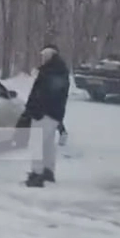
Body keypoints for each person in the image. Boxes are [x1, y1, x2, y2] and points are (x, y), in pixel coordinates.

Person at [23, 44, 70, 187]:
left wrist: (35, 110)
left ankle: (37, 174)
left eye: (44, 55)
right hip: (55, 113)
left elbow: (41, 93)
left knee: (37, 143)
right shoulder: (60, 70)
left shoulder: (49, 72)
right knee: (48, 143)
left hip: (44, 113)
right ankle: (48, 171)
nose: (42, 58)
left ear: (50, 55)